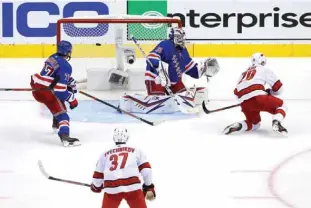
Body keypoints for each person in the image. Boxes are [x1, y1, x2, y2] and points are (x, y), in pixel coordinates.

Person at [223, 53, 288, 136]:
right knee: (282, 105)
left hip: (244, 103)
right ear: (263, 61)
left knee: (254, 124)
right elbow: (278, 89)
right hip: (259, 98)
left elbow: (236, 92)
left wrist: (246, 100)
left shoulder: (243, 73)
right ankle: (276, 122)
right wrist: (270, 92)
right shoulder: (264, 70)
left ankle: (238, 125)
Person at [30, 40, 80, 147]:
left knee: (56, 102)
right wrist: (72, 100)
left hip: (37, 89)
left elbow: (54, 76)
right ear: (67, 52)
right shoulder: (66, 66)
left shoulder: (52, 57)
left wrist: (69, 80)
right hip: (48, 91)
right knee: (63, 114)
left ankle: (55, 123)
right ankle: (64, 136)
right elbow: (61, 91)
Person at [91, 128, 155, 208]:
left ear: (114, 137)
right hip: (133, 187)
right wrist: (148, 186)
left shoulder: (105, 153)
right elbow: (146, 170)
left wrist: (96, 186)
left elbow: (98, 174)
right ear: (127, 137)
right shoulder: (136, 150)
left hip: (112, 188)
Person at [145, 27, 220, 96]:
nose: (181, 40)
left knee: (183, 97)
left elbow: (189, 66)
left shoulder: (183, 50)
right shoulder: (165, 44)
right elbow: (152, 56)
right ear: (173, 37)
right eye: (179, 37)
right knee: (158, 98)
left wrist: (203, 69)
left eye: (182, 37)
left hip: (175, 82)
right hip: (156, 78)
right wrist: (155, 64)